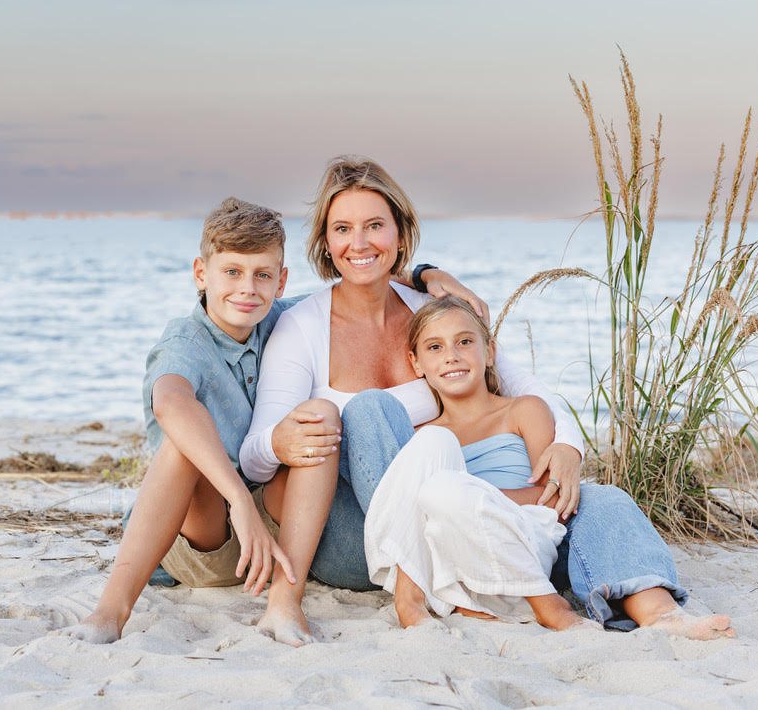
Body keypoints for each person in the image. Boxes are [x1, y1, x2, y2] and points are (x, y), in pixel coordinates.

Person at [241, 156, 734, 638]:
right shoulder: (300, 326)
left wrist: (568, 446)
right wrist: (278, 445)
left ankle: (659, 613)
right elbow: (255, 458)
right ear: (326, 242)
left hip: (470, 516)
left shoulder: (436, 314)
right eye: (343, 229)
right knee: (373, 410)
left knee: (602, 500)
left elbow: (523, 387)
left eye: (375, 225)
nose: (360, 242)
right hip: (369, 536)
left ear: (399, 234)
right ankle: (469, 588)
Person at [62, 197, 481, 647]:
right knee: (182, 443)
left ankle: (285, 603)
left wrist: (425, 275)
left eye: (262, 275)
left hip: (268, 527)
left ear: (281, 281)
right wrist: (239, 500)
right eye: (232, 272)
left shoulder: (279, 317)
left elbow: (360, 277)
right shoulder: (185, 342)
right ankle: (110, 611)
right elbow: (170, 404)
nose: (247, 289)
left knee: (316, 418)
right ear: (201, 274)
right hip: (203, 532)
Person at [365, 296, 587, 630]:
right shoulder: (422, 437)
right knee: (436, 453)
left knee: (444, 491)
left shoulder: (523, 410)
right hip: (454, 560)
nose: (451, 356)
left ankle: (544, 602)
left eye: (465, 342)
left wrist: (476, 495)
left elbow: (553, 500)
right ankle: (410, 601)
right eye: (435, 347)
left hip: (522, 542)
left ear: (490, 352)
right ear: (417, 364)